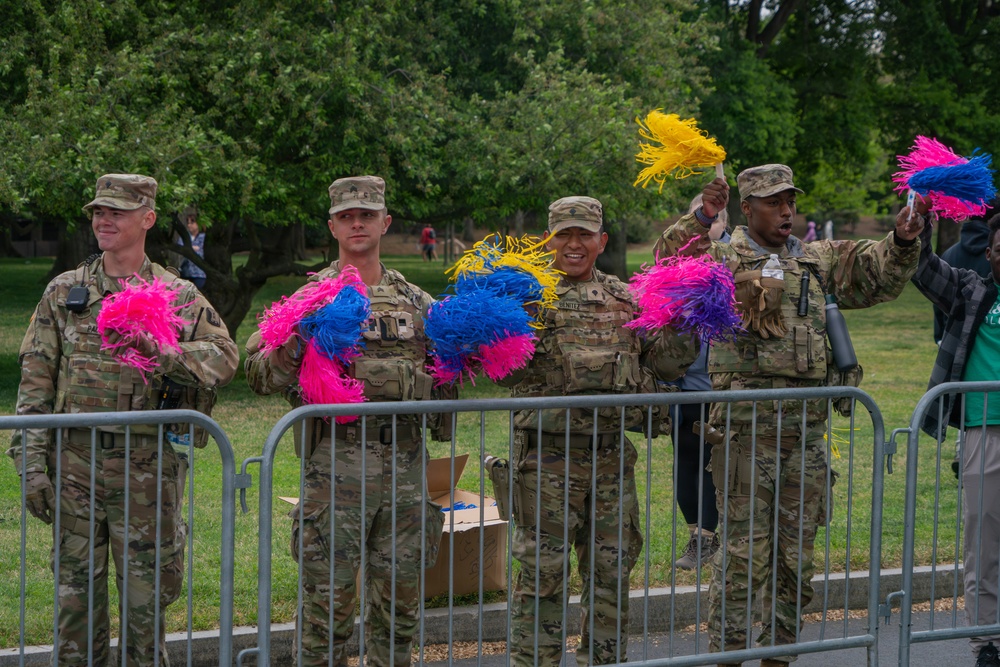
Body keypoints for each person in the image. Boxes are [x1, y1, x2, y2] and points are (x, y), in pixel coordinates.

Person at [655, 164, 923, 667]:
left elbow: (878, 273)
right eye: (774, 202)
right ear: (749, 206)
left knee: (795, 564)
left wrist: (903, 239)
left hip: (806, 441)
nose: (786, 211)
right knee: (741, 564)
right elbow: (666, 266)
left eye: (790, 201)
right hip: (744, 443)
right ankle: (729, 656)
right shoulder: (721, 257)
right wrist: (700, 216)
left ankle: (782, 656)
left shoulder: (817, 260)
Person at [7, 173, 239, 665]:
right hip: (74, 468)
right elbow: (35, 383)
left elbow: (224, 357)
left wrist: (161, 351)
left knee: (146, 605)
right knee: (75, 606)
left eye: (117, 211)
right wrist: (30, 464)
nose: (103, 219)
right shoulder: (67, 291)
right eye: (98, 211)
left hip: (146, 469)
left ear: (148, 219)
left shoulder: (174, 294)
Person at [245, 175, 448, 667]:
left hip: (404, 468)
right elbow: (256, 373)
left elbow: (454, 367)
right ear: (332, 226)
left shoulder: (416, 302)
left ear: (386, 222)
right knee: (325, 607)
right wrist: (294, 343)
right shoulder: (309, 297)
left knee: (398, 608)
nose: (357, 224)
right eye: (346, 216)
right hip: (334, 469)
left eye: (368, 215)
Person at [497, 196, 700, 667]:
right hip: (544, 464)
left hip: (610, 461)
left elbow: (665, 364)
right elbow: (503, 375)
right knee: (541, 577)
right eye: (563, 234)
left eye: (584, 234)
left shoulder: (626, 299)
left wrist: (688, 322)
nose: (574, 244)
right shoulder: (526, 300)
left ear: (601, 240)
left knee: (610, 577)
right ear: (547, 240)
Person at [910, 210, 1000, 667]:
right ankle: (986, 642)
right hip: (983, 431)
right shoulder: (973, 290)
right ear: (990, 255)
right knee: (982, 543)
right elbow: (924, 270)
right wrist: (917, 228)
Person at [672, 194, 730, 571]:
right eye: (701, 216)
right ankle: (695, 534)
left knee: (714, 464)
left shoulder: (736, 262)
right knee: (686, 460)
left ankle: (708, 539)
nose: (709, 224)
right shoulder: (677, 264)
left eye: (715, 217)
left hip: (721, 388)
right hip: (684, 386)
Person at [933, 216, 992, 344]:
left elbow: (937, 295)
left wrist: (940, 336)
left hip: (952, 336)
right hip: (988, 337)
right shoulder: (996, 257)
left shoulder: (948, 254)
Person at [177, 210, 207, 289]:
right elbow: (181, 248)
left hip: (199, 273)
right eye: (188, 223)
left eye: (192, 223)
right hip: (186, 272)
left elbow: (203, 251)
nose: (189, 225)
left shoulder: (204, 237)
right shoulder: (185, 237)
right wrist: (194, 248)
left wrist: (191, 248)